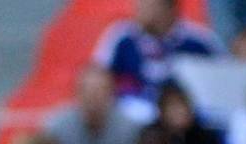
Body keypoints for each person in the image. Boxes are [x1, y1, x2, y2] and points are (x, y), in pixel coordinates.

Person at [94, 0, 222, 120]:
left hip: (185, 121)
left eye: (147, 3)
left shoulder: (199, 42)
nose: (139, 8)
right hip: (132, 119)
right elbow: (97, 76)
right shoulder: (122, 38)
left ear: (169, 8)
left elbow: (223, 84)